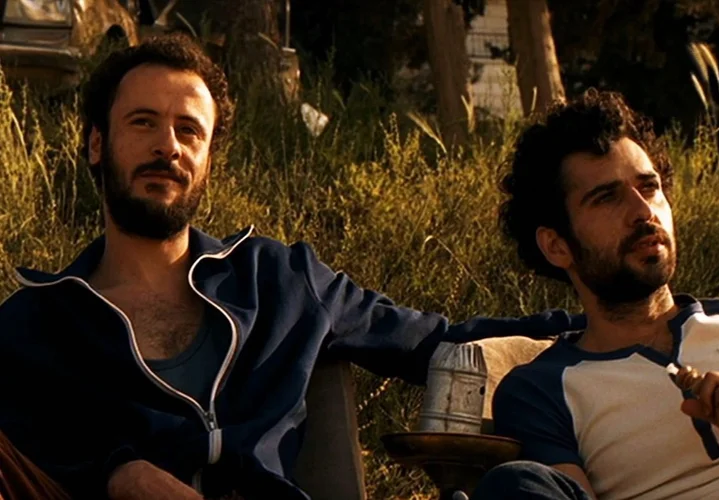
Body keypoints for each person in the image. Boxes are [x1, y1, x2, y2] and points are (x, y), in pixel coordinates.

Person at [0, 33, 579, 500]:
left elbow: (435, 344)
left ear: (207, 160)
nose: (168, 146)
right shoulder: (34, 323)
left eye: (188, 131)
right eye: (143, 122)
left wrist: (597, 324)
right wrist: (117, 474)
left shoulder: (278, 279)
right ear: (96, 144)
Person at [470, 89, 719, 500]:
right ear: (556, 245)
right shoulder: (541, 390)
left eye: (649, 188)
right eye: (606, 198)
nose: (644, 212)